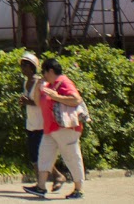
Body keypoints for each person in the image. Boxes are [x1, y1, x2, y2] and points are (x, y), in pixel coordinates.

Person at [27, 56, 86, 200]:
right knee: (44, 156)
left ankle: (79, 189)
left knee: (72, 157)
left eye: (44, 72)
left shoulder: (63, 82)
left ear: (51, 71)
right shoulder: (48, 85)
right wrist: (38, 88)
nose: (43, 75)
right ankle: (41, 187)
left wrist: (56, 96)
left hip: (66, 129)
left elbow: (76, 99)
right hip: (51, 129)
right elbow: (38, 102)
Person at [19, 53, 68, 190]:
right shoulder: (26, 82)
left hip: (41, 123)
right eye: (22, 65)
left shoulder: (39, 83)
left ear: (32, 67)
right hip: (31, 123)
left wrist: (28, 101)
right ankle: (45, 181)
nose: (22, 68)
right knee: (35, 156)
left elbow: (43, 101)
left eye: (25, 65)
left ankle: (53, 178)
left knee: (41, 155)